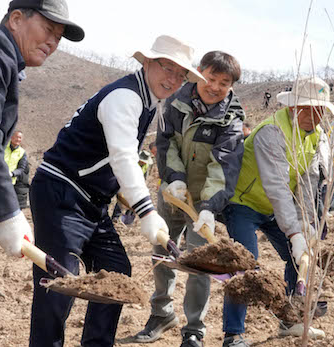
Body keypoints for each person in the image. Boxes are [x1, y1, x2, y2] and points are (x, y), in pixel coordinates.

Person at [29, 35, 204, 347]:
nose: (174, 79)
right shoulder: (126, 97)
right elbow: (123, 156)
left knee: (116, 271)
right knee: (60, 284)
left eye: (181, 75)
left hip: (92, 201)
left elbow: (112, 159)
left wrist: (126, 197)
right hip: (62, 191)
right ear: (148, 63)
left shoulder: (149, 101)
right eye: (168, 68)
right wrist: (147, 211)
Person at [133, 51, 245, 347]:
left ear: (231, 86)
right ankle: (161, 313)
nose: (215, 86)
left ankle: (194, 328)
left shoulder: (231, 118)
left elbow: (223, 166)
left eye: (224, 82)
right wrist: (175, 179)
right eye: (211, 77)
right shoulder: (175, 102)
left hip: (203, 202)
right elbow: (166, 141)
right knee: (161, 252)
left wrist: (208, 208)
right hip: (172, 191)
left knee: (200, 265)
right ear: (198, 72)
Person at [221, 76, 332, 347]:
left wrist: (305, 226)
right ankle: (233, 334)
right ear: (292, 106)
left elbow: (307, 184)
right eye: (306, 108)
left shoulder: (317, 137)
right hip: (243, 203)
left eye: (319, 109)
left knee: (300, 258)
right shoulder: (272, 131)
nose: (313, 115)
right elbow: (277, 185)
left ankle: (291, 319)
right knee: (244, 263)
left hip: (273, 208)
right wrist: (293, 231)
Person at [0, 0, 83, 252]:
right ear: (16, 19)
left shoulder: (4, 59)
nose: (53, 43)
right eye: (48, 29)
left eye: (58, 37)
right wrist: (8, 212)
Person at [4, 130, 30, 208]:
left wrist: (12, 173)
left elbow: (21, 169)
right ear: (11, 137)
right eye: (17, 137)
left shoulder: (22, 152)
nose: (18, 139)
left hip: (10, 182)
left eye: (20, 138)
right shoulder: (3, 147)